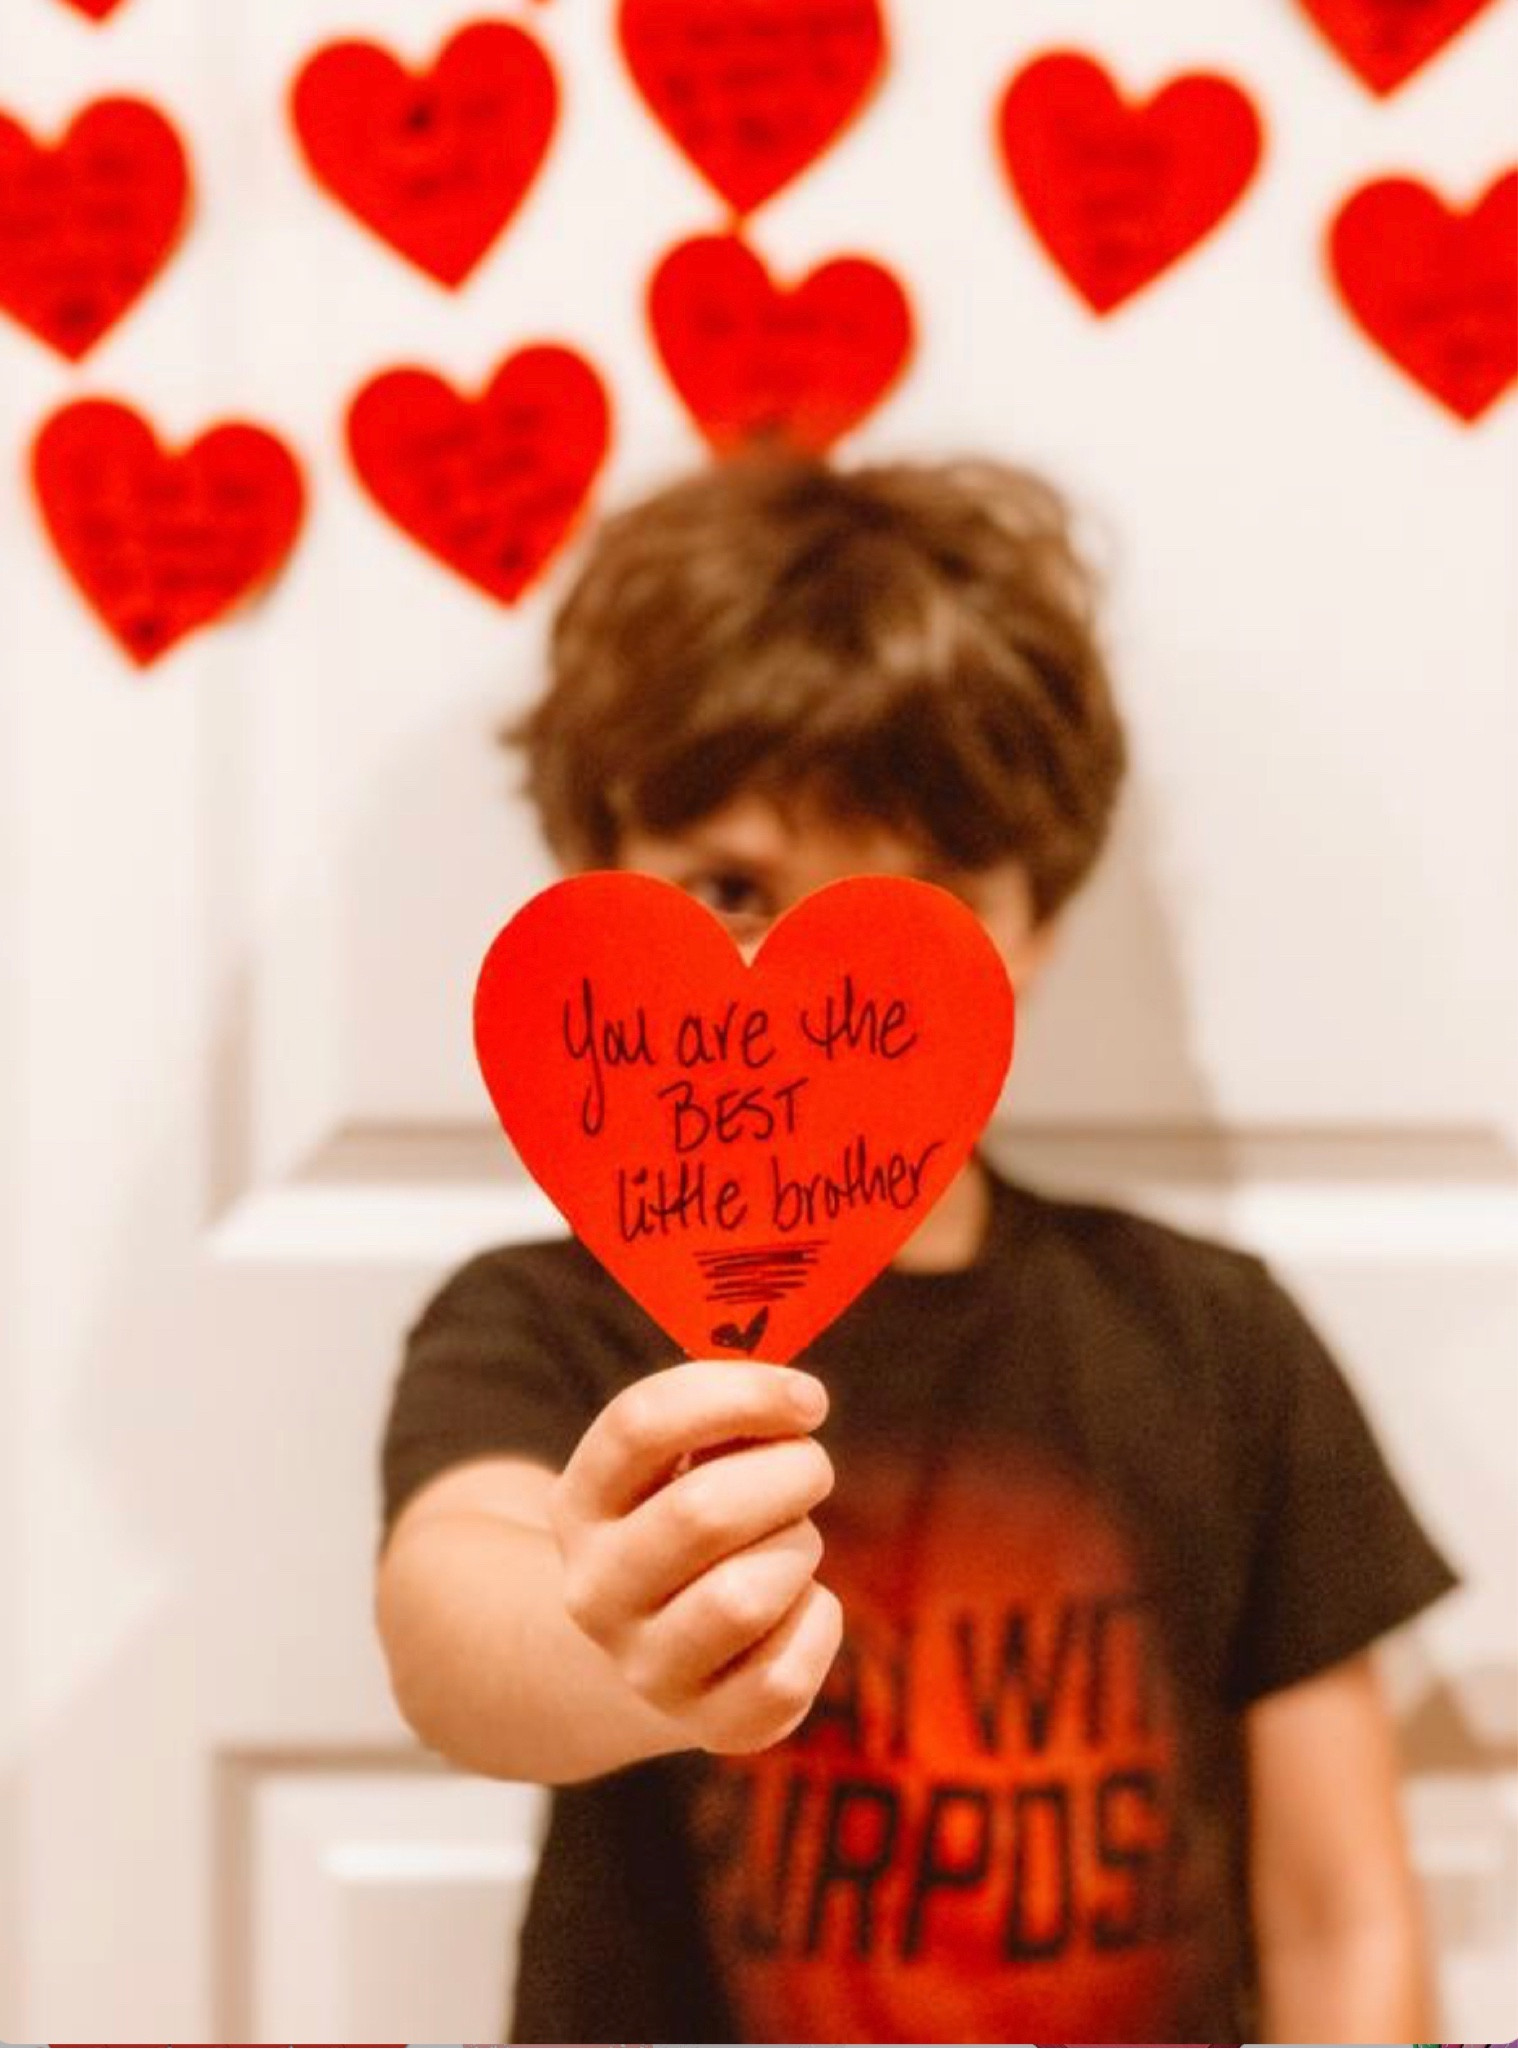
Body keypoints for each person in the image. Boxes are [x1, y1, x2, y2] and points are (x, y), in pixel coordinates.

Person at [375, 452, 1457, 2043]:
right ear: (608, 895)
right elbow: (452, 1615)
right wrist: (616, 1645)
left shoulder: (1214, 1340)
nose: (804, 992)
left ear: (1035, 931)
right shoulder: (541, 1321)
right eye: (732, 887)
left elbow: (1341, 1909)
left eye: (915, 908)